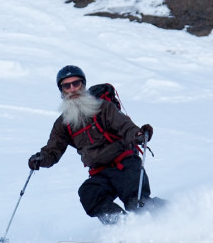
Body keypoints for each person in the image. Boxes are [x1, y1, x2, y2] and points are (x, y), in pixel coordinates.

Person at [28, 65, 164, 224]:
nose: (72, 89)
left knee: (137, 204)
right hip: (100, 173)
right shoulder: (63, 123)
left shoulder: (103, 108)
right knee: (89, 194)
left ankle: (170, 214)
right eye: (67, 86)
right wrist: (40, 159)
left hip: (125, 165)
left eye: (76, 84)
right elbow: (53, 151)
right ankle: (123, 227)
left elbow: (124, 126)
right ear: (62, 91)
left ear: (83, 85)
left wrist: (138, 135)